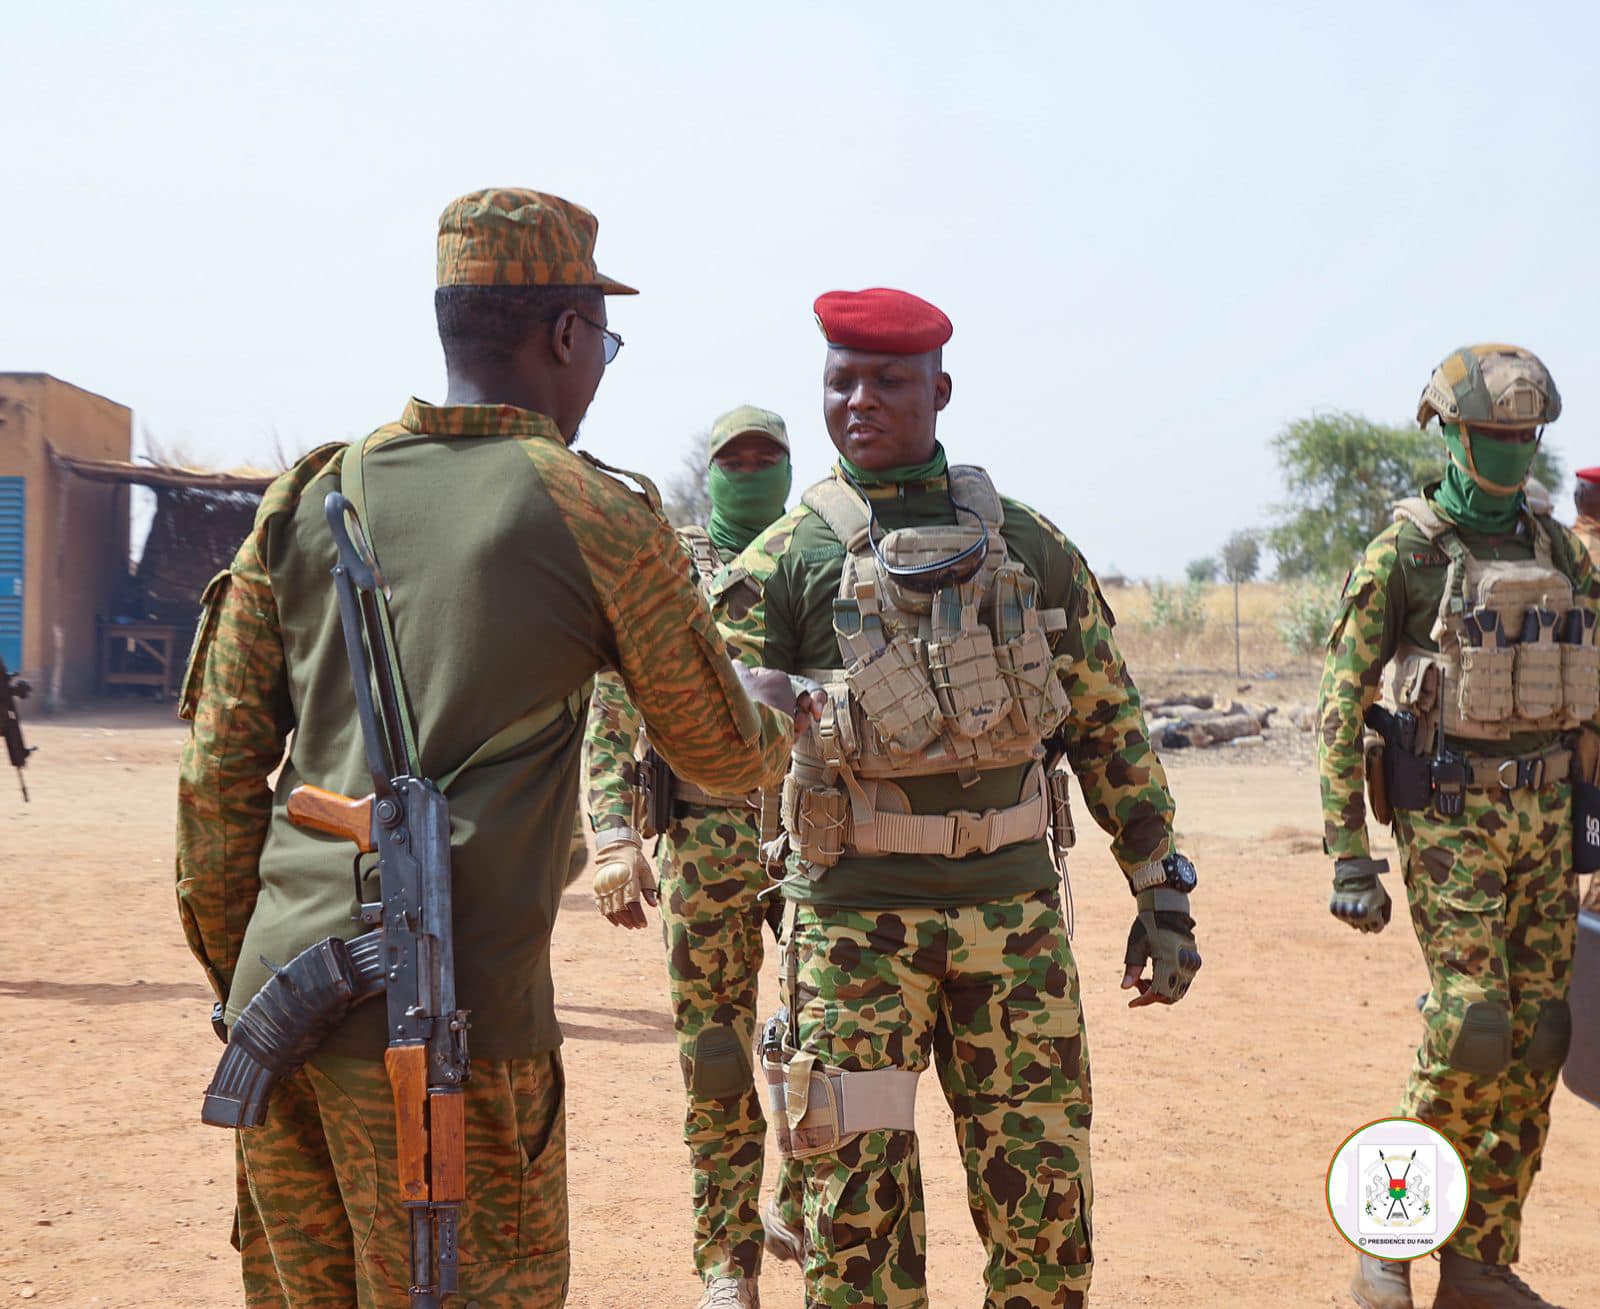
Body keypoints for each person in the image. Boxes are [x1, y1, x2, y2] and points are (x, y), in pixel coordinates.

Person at [176, 188, 804, 1308]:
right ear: (564, 333)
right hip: (453, 1033)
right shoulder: (591, 508)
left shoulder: (313, 493)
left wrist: (257, 982)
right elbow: (712, 752)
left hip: (279, 1022)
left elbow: (218, 784)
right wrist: (767, 710)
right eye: (600, 338)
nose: (601, 361)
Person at [710, 287, 1200, 1309]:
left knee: (1044, 1211)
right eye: (840, 382)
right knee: (857, 1220)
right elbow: (724, 761)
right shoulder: (785, 565)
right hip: (850, 936)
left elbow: (1108, 725)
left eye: (886, 381)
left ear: (940, 387)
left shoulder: (1026, 544)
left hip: (1012, 923)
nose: (859, 401)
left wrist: (1161, 887)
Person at [1319, 345, 1591, 1309]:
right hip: (1449, 816)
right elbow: (1337, 702)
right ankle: (1387, 1239)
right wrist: (1348, 850)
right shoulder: (1408, 552)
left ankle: (1479, 1259)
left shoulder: (1559, 552)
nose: (1514, 454)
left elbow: (1591, 697)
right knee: (1474, 1021)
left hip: (1550, 822)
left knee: (1542, 1034)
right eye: (1495, 436)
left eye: (1526, 437)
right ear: (1449, 432)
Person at [585, 404, 801, 1309]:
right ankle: (727, 1258)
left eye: (765, 458)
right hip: (704, 840)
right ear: (709, 471)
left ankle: (806, 1209)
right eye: (733, 458)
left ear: (788, 469)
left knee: (828, 1046)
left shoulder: (820, 556)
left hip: (814, 837)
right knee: (716, 1054)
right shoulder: (665, 567)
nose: (748, 470)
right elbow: (611, 705)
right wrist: (612, 834)